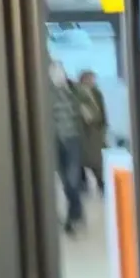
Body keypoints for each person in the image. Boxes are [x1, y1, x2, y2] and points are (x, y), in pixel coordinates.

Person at [48, 60, 84, 236]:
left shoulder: (73, 90)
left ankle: (74, 216)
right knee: (64, 181)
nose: (58, 74)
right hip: (55, 141)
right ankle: (75, 214)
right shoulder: (47, 93)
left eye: (59, 70)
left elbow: (82, 112)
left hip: (72, 140)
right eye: (54, 71)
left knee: (72, 180)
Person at [76, 70, 108, 193]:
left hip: (97, 132)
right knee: (88, 162)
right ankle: (85, 187)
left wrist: (104, 126)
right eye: (90, 79)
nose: (92, 81)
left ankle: (102, 186)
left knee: (99, 163)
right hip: (85, 134)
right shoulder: (78, 94)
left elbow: (102, 111)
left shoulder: (97, 93)